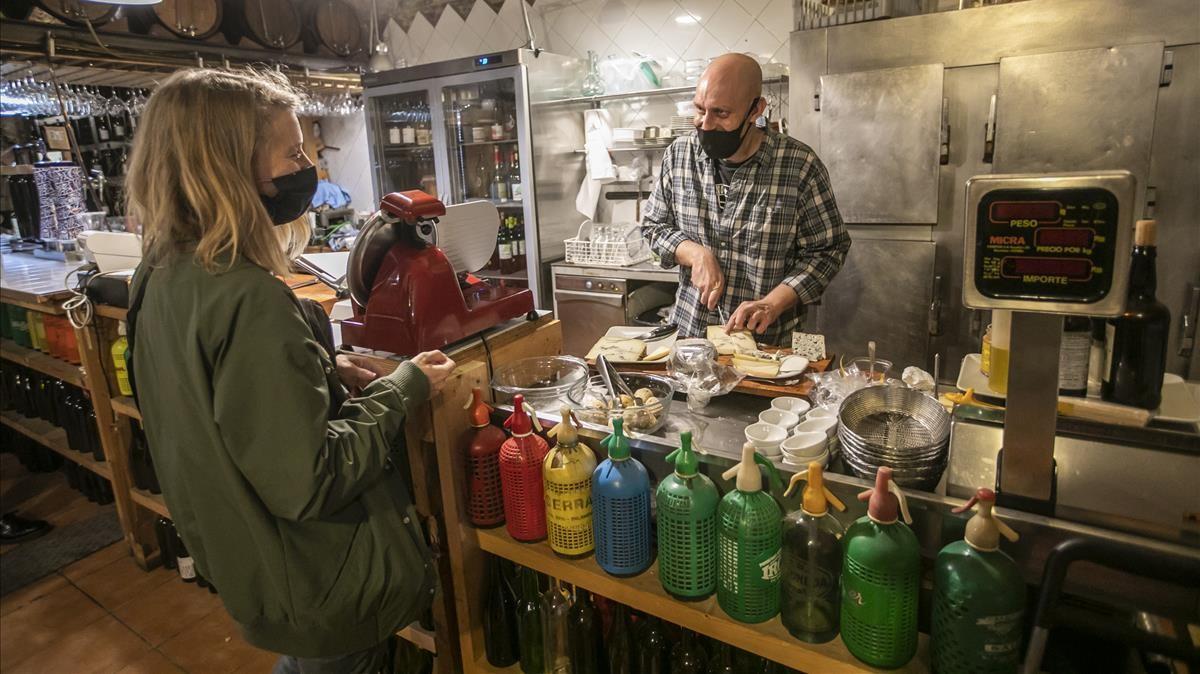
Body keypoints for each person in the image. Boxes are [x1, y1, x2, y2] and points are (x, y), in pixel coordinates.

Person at [123, 68, 456, 674]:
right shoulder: (249, 300)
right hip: (322, 575)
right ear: (227, 167)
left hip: (254, 557)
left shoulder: (161, 274)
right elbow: (311, 479)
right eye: (292, 151)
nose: (308, 167)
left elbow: (220, 407)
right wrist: (403, 388)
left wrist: (320, 368)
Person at [642, 53, 851, 346]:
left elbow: (828, 250)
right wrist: (694, 253)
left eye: (722, 113)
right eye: (700, 109)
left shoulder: (799, 166)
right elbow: (653, 227)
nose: (706, 124)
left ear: (756, 110)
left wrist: (773, 302)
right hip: (690, 339)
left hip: (766, 345)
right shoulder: (678, 156)